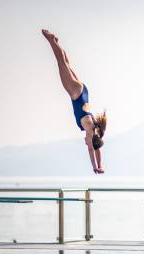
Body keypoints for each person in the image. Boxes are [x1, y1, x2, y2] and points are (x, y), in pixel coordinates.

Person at [42, 29, 107, 174]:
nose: (86, 144)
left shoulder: (95, 130)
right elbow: (92, 149)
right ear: (91, 141)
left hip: (83, 91)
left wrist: (101, 165)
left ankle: (56, 43)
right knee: (61, 63)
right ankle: (51, 40)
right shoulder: (90, 131)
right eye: (88, 143)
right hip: (76, 93)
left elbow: (96, 149)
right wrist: (94, 167)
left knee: (66, 63)